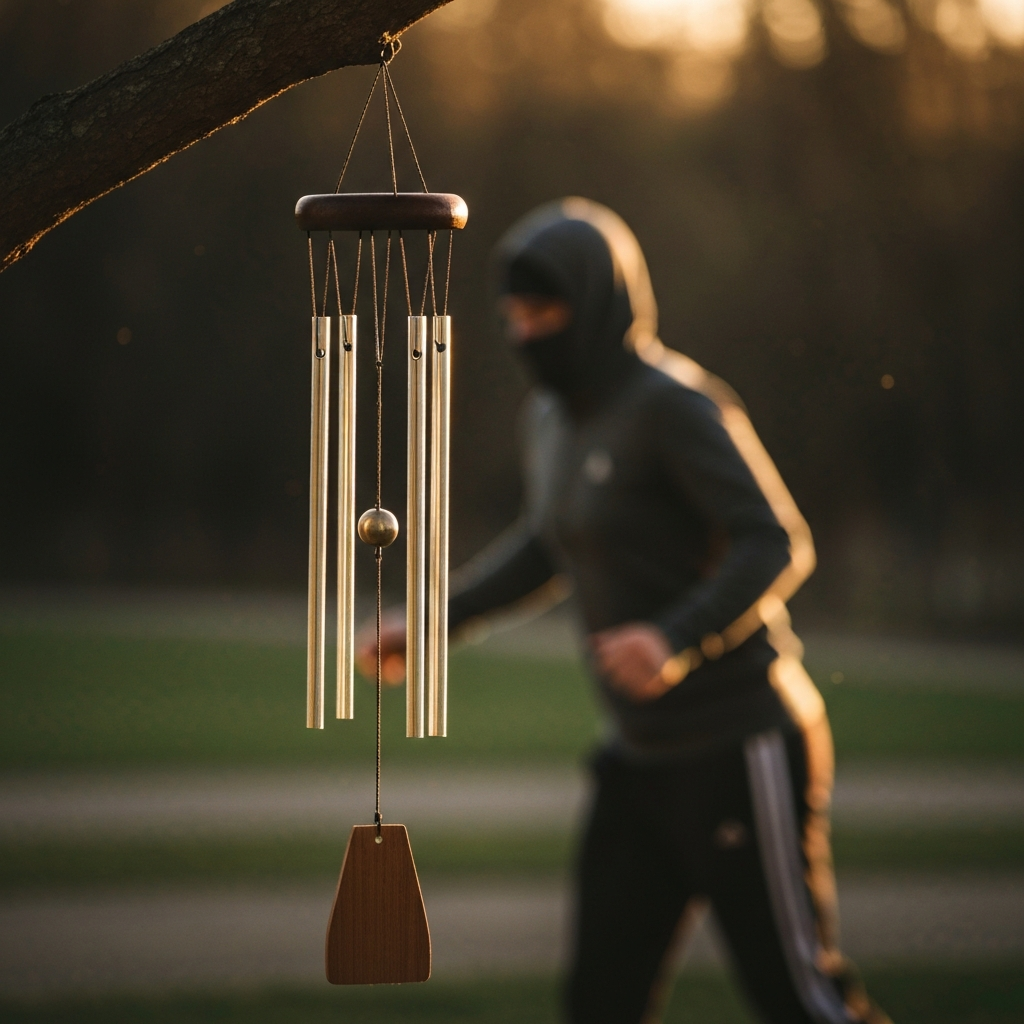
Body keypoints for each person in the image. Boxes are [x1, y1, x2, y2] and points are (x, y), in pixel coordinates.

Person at [360, 198, 891, 1024]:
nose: (524, 330)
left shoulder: (673, 404)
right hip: (638, 760)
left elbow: (777, 540)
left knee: (801, 999)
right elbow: (550, 544)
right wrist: (431, 621)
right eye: (514, 313)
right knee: (599, 1003)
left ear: (599, 303)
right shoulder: (550, 416)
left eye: (545, 310)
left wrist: (675, 636)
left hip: (739, 745)